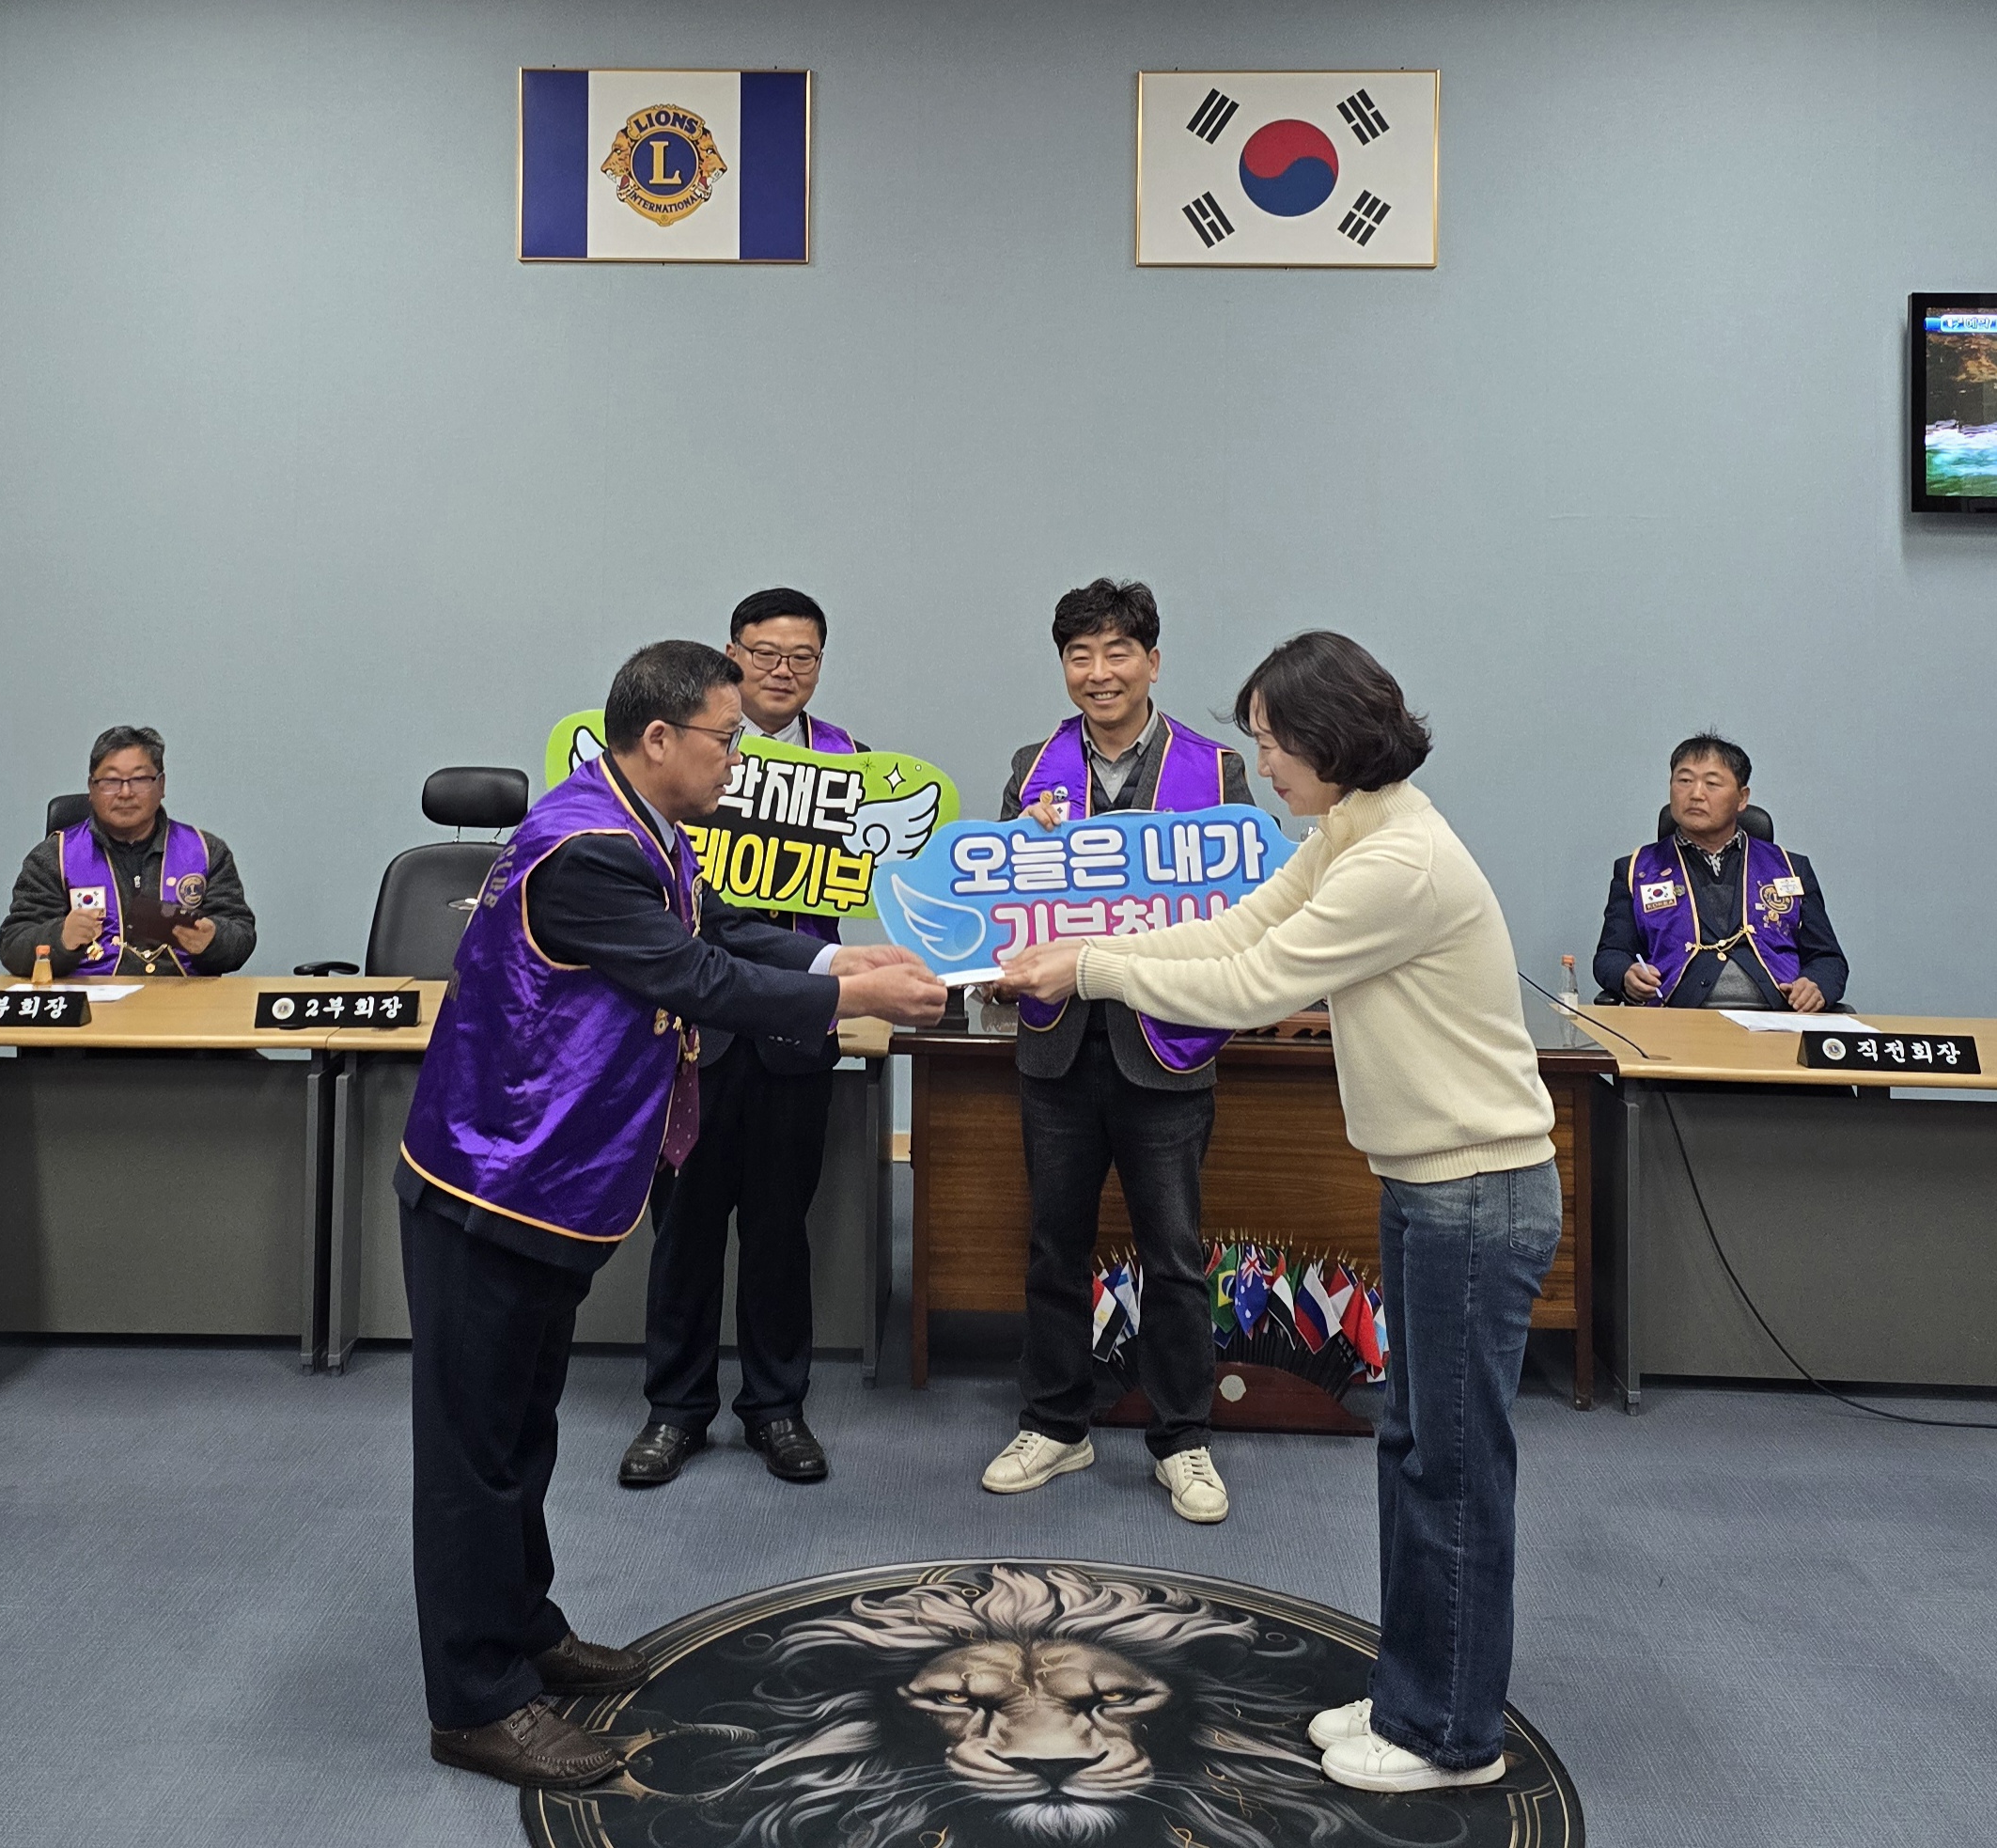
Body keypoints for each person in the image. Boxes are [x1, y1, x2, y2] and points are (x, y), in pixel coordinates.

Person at [1000, 631, 1559, 1795]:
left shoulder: (1395, 861)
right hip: (1429, 1187)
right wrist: (1087, 945)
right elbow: (1233, 929)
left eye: (1268, 741)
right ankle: (1415, 1693)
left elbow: (1251, 985)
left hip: (1474, 1196)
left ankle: (1450, 1735)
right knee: (1413, 1450)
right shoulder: (1351, 831)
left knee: (1450, 1471)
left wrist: (1087, 969)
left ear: (1324, 738)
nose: (1258, 763)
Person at [394, 640, 944, 1791]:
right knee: (471, 1452)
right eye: (723, 739)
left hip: (548, 1186)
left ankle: (522, 1629)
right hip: (489, 1187)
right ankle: (475, 1699)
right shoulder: (586, 850)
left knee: (520, 1433)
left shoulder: (641, 827)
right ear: (658, 739)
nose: (738, 758)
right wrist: (851, 998)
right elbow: (698, 982)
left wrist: (837, 955)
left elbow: (717, 934)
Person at [978, 578, 1255, 1527]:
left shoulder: (1214, 772)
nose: (1098, 673)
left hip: (1163, 1048)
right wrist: (1018, 863)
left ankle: (1181, 1438)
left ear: (1152, 660)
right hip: (1057, 1049)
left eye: (1117, 652)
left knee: (1173, 1255)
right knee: (1053, 1245)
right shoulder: (1032, 768)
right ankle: (1056, 1422)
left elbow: (1239, 912)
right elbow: (1000, 906)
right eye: (1079, 655)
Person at [622, 588, 863, 1490]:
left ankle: (777, 1407)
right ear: (733, 655)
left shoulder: (852, 766)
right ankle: (674, 1410)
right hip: (691, 1033)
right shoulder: (685, 760)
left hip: (794, 1032)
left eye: (802, 656)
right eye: (765, 654)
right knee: (682, 1230)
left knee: (778, 1231)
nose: (783, 671)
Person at [1591, 732, 1848, 1011]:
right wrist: (1626, 975)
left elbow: (1828, 959)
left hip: (1776, 1017)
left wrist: (1815, 986)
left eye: (1712, 783)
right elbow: (1611, 954)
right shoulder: (1637, 870)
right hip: (1677, 1018)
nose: (1696, 794)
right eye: (1684, 780)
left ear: (1742, 798)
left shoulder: (1789, 868)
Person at [0, 724, 256, 979]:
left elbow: (242, 935)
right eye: (111, 781)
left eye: (139, 779)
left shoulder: (205, 851)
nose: (125, 793)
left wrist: (214, 940)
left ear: (161, 785)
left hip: (185, 998)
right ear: (91, 788)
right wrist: (61, 937)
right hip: (91, 1000)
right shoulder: (55, 856)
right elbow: (13, 943)